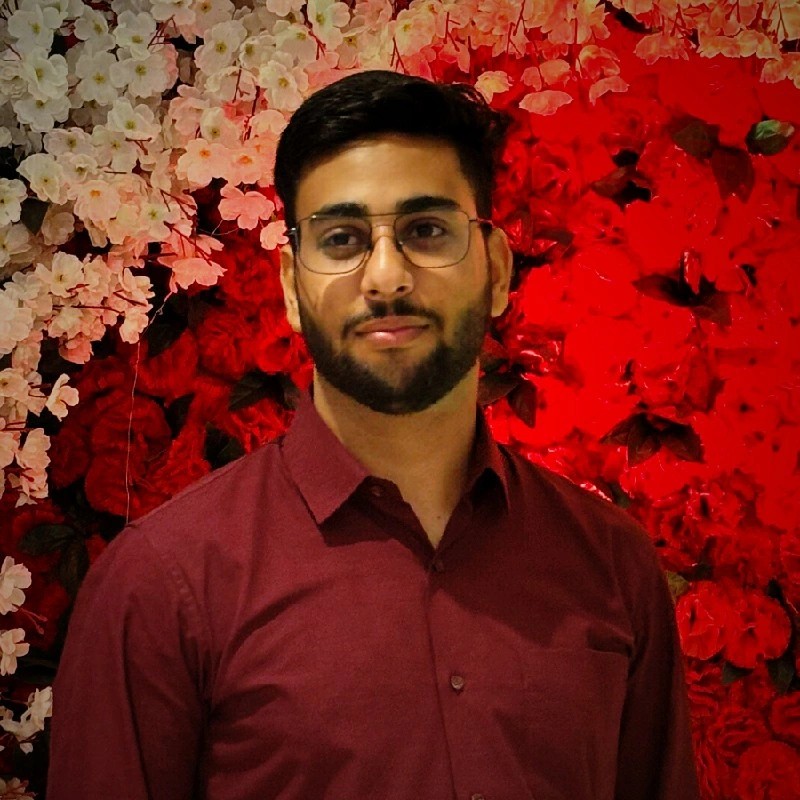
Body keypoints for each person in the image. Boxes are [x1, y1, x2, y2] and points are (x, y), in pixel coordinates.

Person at [48, 70, 699, 800]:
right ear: (292, 286)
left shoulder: (610, 565)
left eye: (426, 231)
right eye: (342, 239)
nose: (387, 276)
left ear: (495, 269)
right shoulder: (162, 585)